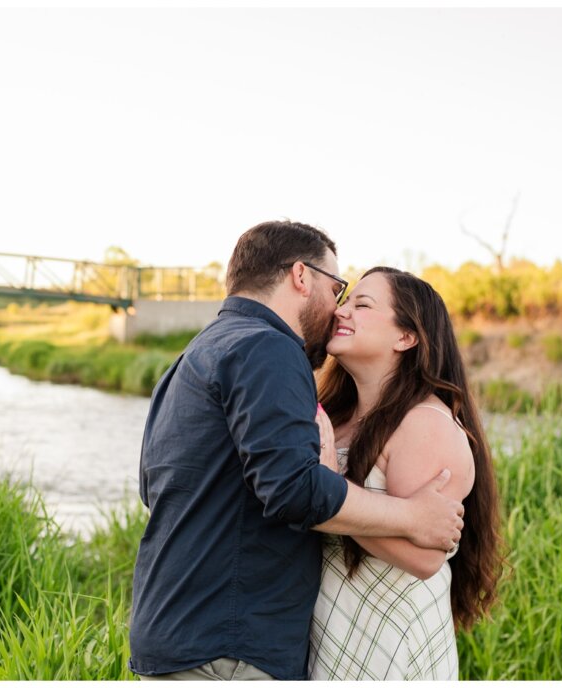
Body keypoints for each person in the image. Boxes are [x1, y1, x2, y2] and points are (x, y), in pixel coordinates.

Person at [128, 222, 466, 681]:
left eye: (355, 301)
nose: (338, 308)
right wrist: (411, 517)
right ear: (302, 277)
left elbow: (154, 489)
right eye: (338, 290)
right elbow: (296, 490)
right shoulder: (268, 347)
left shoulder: (196, 353)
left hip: (183, 632)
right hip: (231, 644)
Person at [308, 266, 504, 680]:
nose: (342, 311)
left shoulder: (424, 423)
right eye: (346, 301)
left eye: (362, 304)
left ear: (406, 337)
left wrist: (328, 489)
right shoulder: (338, 415)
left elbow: (424, 557)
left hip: (390, 639)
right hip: (334, 629)